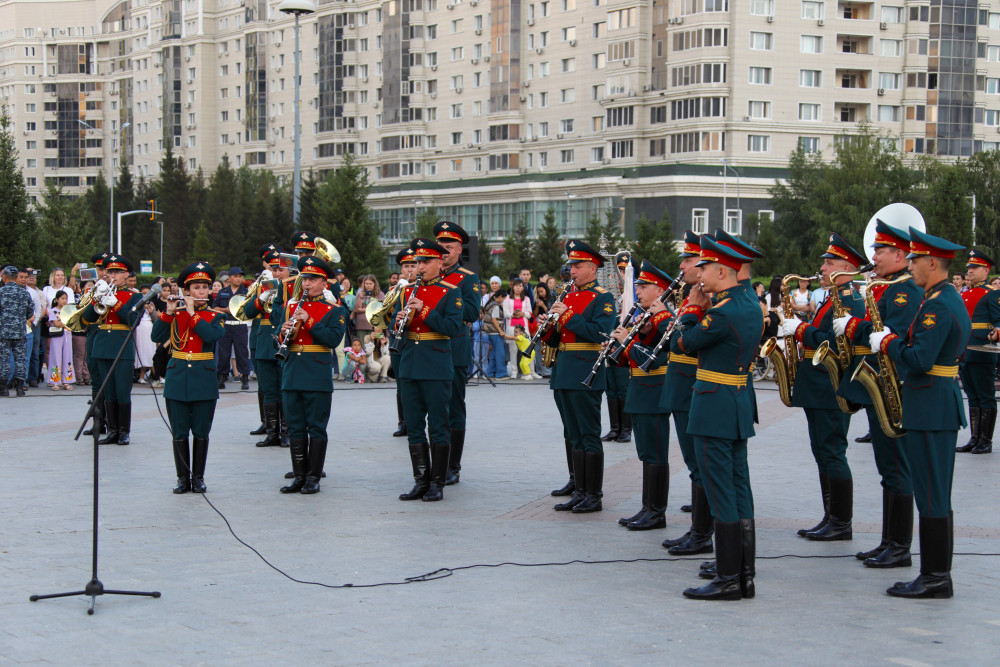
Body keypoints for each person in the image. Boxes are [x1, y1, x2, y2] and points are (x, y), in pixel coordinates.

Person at [868, 227, 971, 599]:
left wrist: (889, 342)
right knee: (933, 493)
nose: (909, 265)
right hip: (932, 403)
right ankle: (934, 574)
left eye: (914, 260)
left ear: (932, 262)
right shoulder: (937, 297)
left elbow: (920, 359)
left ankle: (935, 577)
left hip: (931, 405)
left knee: (931, 493)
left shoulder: (939, 304)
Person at [672, 236, 763, 601]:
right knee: (739, 488)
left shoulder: (723, 311)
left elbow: (686, 343)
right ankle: (743, 573)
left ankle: (728, 578)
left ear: (722, 270)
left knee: (722, 490)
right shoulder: (745, 302)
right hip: (735, 400)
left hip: (714, 404)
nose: (700, 275)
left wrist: (693, 310)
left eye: (705, 268)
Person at [832, 220, 923, 568]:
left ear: (900, 254)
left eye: (880, 251)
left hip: (893, 384)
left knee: (898, 467)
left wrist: (855, 326)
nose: (874, 256)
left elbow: (894, 332)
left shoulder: (904, 290)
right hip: (880, 383)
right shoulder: (887, 287)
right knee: (888, 468)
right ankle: (889, 541)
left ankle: (899, 547)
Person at [779, 233, 867, 541]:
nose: (824, 268)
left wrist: (800, 329)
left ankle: (841, 522)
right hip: (817, 384)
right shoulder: (833, 297)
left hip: (831, 385)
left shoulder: (850, 298)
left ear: (847, 266)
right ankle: (831, 516)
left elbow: (837, 342)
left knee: (832, 451)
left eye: (830, 263)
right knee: (822, 451)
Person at [544, 240, 616, 514]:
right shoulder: (567, 295)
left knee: (588, 434)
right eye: (571, 265)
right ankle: (580, 490)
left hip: (586, 369)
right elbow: (557, 337)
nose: (571, 270)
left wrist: (568, 315)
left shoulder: (603, 298)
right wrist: (548, 327)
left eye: (577, 266)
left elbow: (600, 333)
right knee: (573, 433)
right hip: (563, 369)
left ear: (592, 267)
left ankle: (593, 495)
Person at [659, 233, 716, 555]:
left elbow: (691, 340)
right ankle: (698, 529)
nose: (682, 266)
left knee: (701, 463)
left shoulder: (709, 300)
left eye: (688, 260)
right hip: (681, 384)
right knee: (695, 463)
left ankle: (702, 534)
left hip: (696, 383)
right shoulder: (691, 295)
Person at [396, 238, 464, 502]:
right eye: (417, 262)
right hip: (409, 363)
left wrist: (424, 311)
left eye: (424, 262)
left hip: (436, 364)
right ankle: (420, 480)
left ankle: (437, 482)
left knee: (438, 425)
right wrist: (399, 320)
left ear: (439, 262)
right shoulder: (406, 292)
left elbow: (452, 329)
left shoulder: (450, 292)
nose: (419, 267)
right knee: (413, 425)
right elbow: (393, 323)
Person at [151, 262, 226, 493]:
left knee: (201, 431)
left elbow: (212, 336)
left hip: (203, 378)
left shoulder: (214, 316)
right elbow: (156, 336)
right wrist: (169, 313)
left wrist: (193, 315)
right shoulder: (175, 314)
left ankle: (199, 477)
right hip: (177, 376)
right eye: (196, 287)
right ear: (186, 291)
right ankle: (183, 477)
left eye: (205, 287)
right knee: (180, 431)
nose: (201, 291)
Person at [610, 260, 674, 531]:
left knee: (656, 453)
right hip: (641, 388)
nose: (638, 291)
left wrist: (628, 342)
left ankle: (657, 512)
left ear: (659, 290)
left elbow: (654, 359)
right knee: (646, 453)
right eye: (638, 286)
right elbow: (633, 359)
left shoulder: (664, 319)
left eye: (644, 286)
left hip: (655, 390)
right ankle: (648, 507)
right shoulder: (645, 316)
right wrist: (619, 348)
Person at [278, 255, 346, 495]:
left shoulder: (333, 310)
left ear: (324, 283)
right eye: (305, 278)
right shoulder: (290, 306)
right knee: (295, 427)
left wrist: (309, 321)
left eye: (312, 279)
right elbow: (279, 334)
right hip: (292, 372)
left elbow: (332, 339)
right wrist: (283, 331)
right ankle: (298, 476)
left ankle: (313, 477)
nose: (306, 284)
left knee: (316, 427)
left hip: (316, 373)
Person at [79, 255, 143, 444]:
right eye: (110, 271)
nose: (112, 275)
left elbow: (133, 321)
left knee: (122, 390)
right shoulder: (103, 291)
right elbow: (89, 318)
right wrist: (96, 297)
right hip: (102, 345)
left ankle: (124, 431)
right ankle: (112, 430)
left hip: (122, 345)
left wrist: (115, 303)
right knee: (108, 391)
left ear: (126, 275)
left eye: (117, 272)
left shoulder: (134, 296)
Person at [955, 249, 1000, 454]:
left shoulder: (992, 294)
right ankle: (975, 438)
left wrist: (996, 333)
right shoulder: (966, 293)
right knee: (972, 395)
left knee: (985, 395)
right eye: (969, 268)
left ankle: (986, 440)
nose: (969, 271)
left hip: (982, 350)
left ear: (985, 270)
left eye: (974, 268)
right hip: (965, 350)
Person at [242, 246, 287, 448]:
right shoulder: (261, 287)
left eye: (280, 269)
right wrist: (261, 299)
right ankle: (272, 432)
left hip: (282, 341)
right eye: (274, 269)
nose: (277, 273)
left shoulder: (292, 288)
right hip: (263, 342)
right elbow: (247, 311)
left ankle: (286, 432)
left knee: (284, 389)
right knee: (269, 390)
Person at [602, 252, 635, 443]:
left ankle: (626, 429)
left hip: (625, 344)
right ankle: (615, 428)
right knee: (611, 388)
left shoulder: (633, 294)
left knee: (623, 387)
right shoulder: (610, 295)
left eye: (623, 270)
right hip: (610, 343)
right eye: (618, 271)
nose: (619, 275)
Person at [82, 252, 110, 436]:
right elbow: (84, 316)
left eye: (106, 269)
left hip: (109, 337)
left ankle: (115, 425)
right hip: (93, 335)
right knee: (96, 381)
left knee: (110, 382)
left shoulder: (117, 290)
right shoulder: (93, 289)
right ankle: (98, 423)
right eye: (100, 269)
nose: (103, 273)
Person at [391, 246, 418, 437]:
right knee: (401, 383)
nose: (410, 269)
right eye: (406, 266)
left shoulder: (426, 287)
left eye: (413, 265)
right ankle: (403, 422)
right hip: (399, 342)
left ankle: (416, 420)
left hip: (418, 341)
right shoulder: (396, 290)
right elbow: (389, 317)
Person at [212, 267, 251, 390]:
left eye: (240, 276)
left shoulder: (246, 292)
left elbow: (250, 309)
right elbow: (214, 307)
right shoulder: (223, 292)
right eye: (235, 276)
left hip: (240, 325)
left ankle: (244, 377)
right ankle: (221, 377)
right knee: (223, 353)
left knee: (242, 353)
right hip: (226, 325)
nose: (238, 278)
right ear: (229, 278)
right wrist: (225, 310)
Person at [0, 265, 35, 397]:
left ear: (4, 277)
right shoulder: (24, 293)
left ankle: (3, 388)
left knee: (3, 360)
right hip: (20, 331)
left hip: (3, 332)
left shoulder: (1, 292)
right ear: (15, 278)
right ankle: (20, 387)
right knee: (20, 359)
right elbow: (30, 313)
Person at [45, 290, 75, 390]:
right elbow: (56, 324)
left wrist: (66, 324)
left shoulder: (69, 310)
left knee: (67, 356)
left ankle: (66, 381)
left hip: (67, 334)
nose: (64, 301)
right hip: (57, 335)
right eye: (62, 298)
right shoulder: (53, 310)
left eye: (66, 298)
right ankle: (55, 382)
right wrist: (67, 324)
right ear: (57, 300)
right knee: (56, 356)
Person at [503, 278, 532, 378]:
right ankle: (514, 372)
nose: (518, 288)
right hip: (512, 327)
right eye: (516, 286)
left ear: (523, 287)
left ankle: (529, 371)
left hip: (523, 327)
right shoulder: (507, 299)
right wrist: (513, 314)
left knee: (528, 349)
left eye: (520, 286)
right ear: (513, 287)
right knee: (513, 350)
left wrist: (522, 313)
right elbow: (505, 313)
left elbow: (529, 314)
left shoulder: (527, 299)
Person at [481, 289, 507, 380]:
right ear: (499, 297)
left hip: (490, 332)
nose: (504, 300)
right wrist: (501, 331)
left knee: (494, 353)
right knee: (500, 353)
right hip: (496, 332)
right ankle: (501, 374)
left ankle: (490, 373)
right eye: (503, 298)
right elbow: (494, 320)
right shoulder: (496, 306)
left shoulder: (489, 304)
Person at [24, 268, 43, 387]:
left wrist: (34, 322)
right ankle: (21, 378)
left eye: (32, 276)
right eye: (27, 276)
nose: (30, 278)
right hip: (21, 325)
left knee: (34, 352)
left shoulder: (33, 292)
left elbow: (38, 309)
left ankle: (32, 377)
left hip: (33, 325)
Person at [352, 274, 384, 339]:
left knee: (377, 343)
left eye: (370, 283)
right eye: (366, 283)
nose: (368, 285)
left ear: (374, 284)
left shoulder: (380, 294)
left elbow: (380, 308)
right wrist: (360, 298)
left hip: (375, 325)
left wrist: (363, 309)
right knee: (362, 345)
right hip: (361, 324)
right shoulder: (360, 293)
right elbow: (356, 309)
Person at [532, 283, 552, 378]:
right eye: (539, 292)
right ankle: (539, 370)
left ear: (546, 290)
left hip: (548, 324)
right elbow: (535, 315)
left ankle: (547, 370)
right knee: (538, 348)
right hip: (538, 324)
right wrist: (537, 306)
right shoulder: (537, 300)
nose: (541, 294)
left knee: (547, 347)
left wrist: (543, 305)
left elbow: (550, 312)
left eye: (542, 291)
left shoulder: (551, 299)